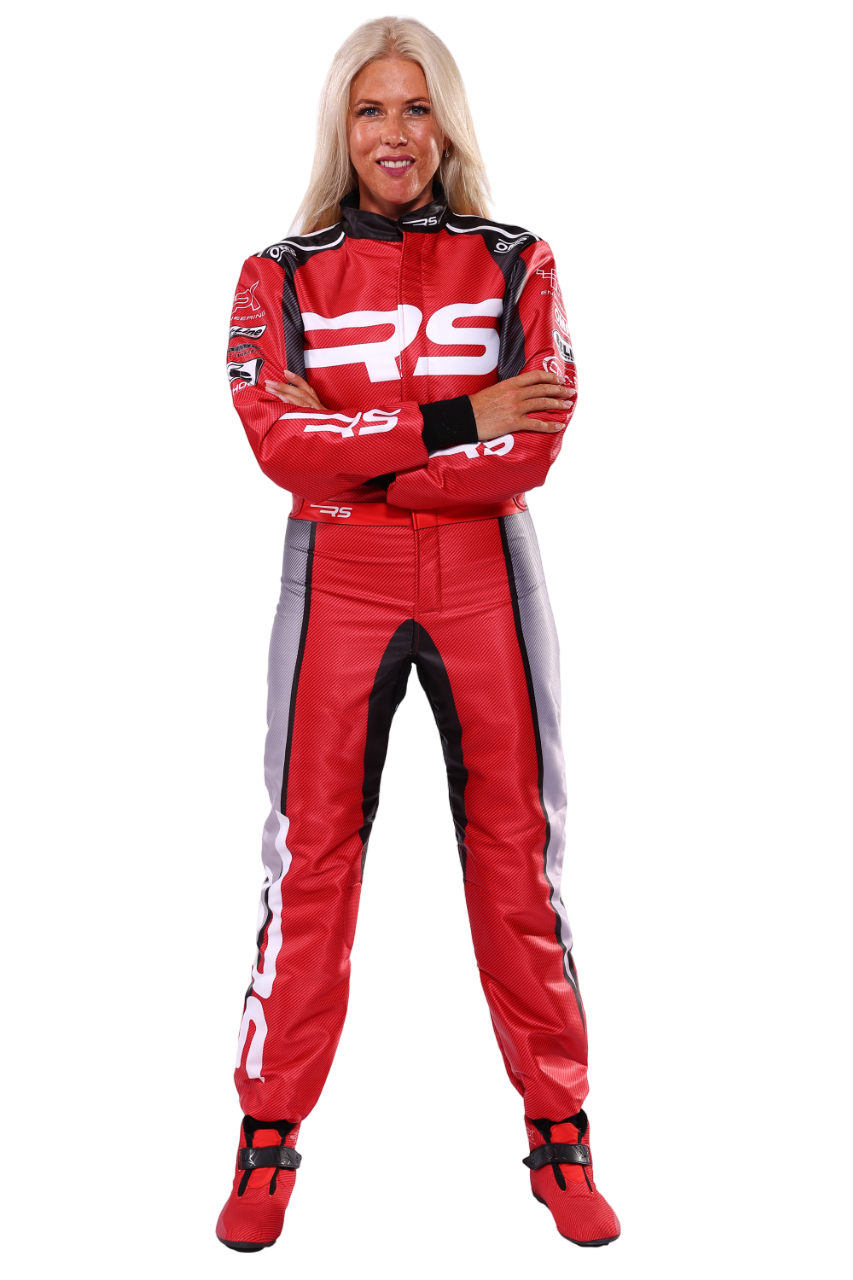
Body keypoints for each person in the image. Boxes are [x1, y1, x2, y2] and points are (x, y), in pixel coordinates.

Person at [217, 15, 620, 1252]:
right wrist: (456, 419)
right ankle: (266, 1134)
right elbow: (277, 447)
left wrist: (364, 457)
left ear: (447, 120)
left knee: (517, 858)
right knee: (310, 861)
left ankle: (559, 1129)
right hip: (332, 586)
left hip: (487, 579)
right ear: (340, 126)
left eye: (416, 106)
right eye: (370, 109)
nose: (394, 133)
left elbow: (531, 446)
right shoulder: (276, 275)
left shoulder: (519, 261)